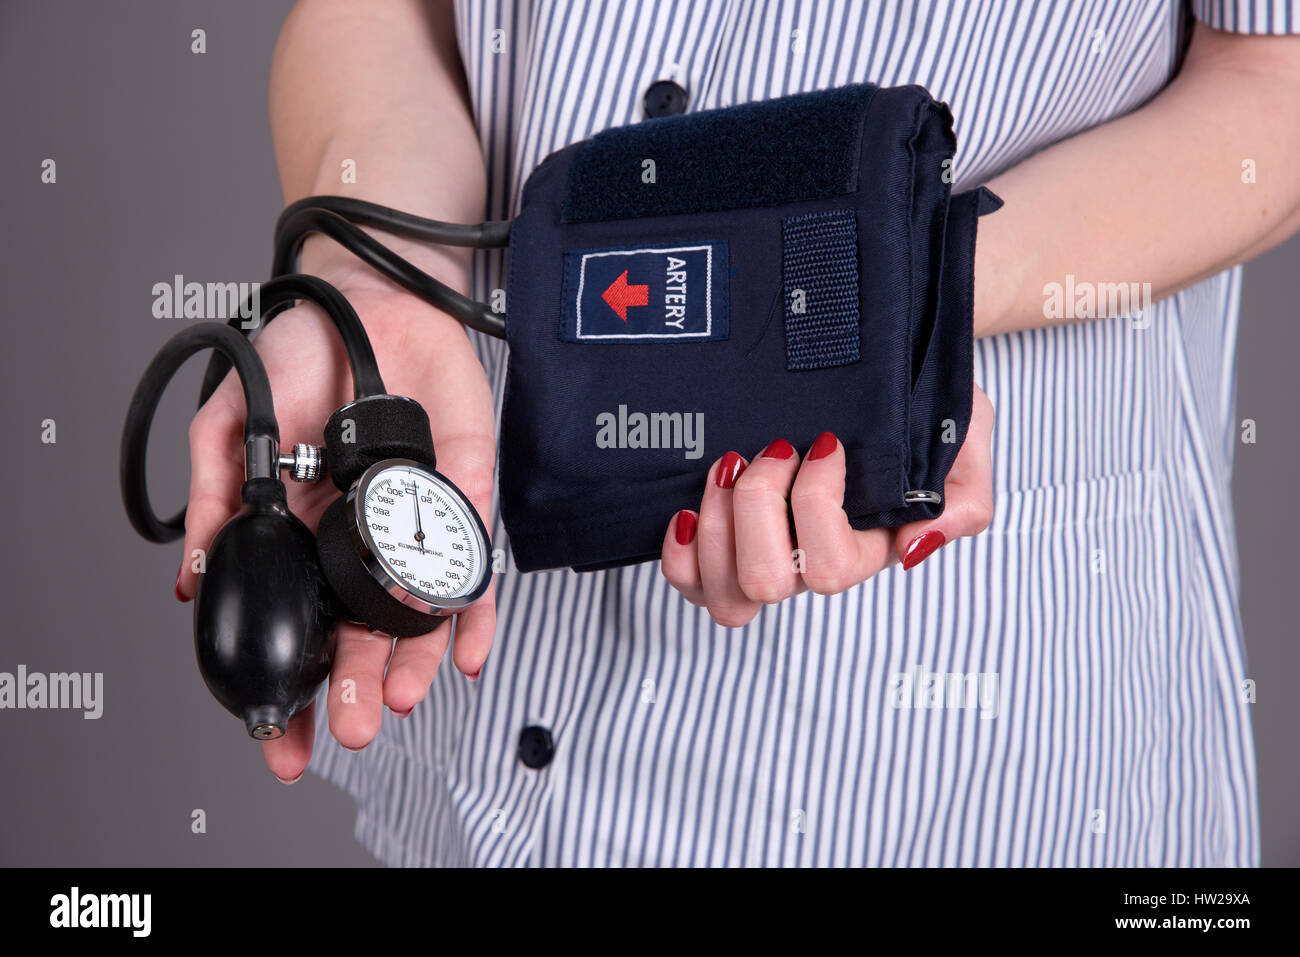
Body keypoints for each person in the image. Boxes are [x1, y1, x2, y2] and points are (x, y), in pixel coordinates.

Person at [181, 0, 1300, 865]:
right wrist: (378, 282)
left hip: (949, 758)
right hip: (490, 719)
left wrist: (901, 309)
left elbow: (1273, 85)